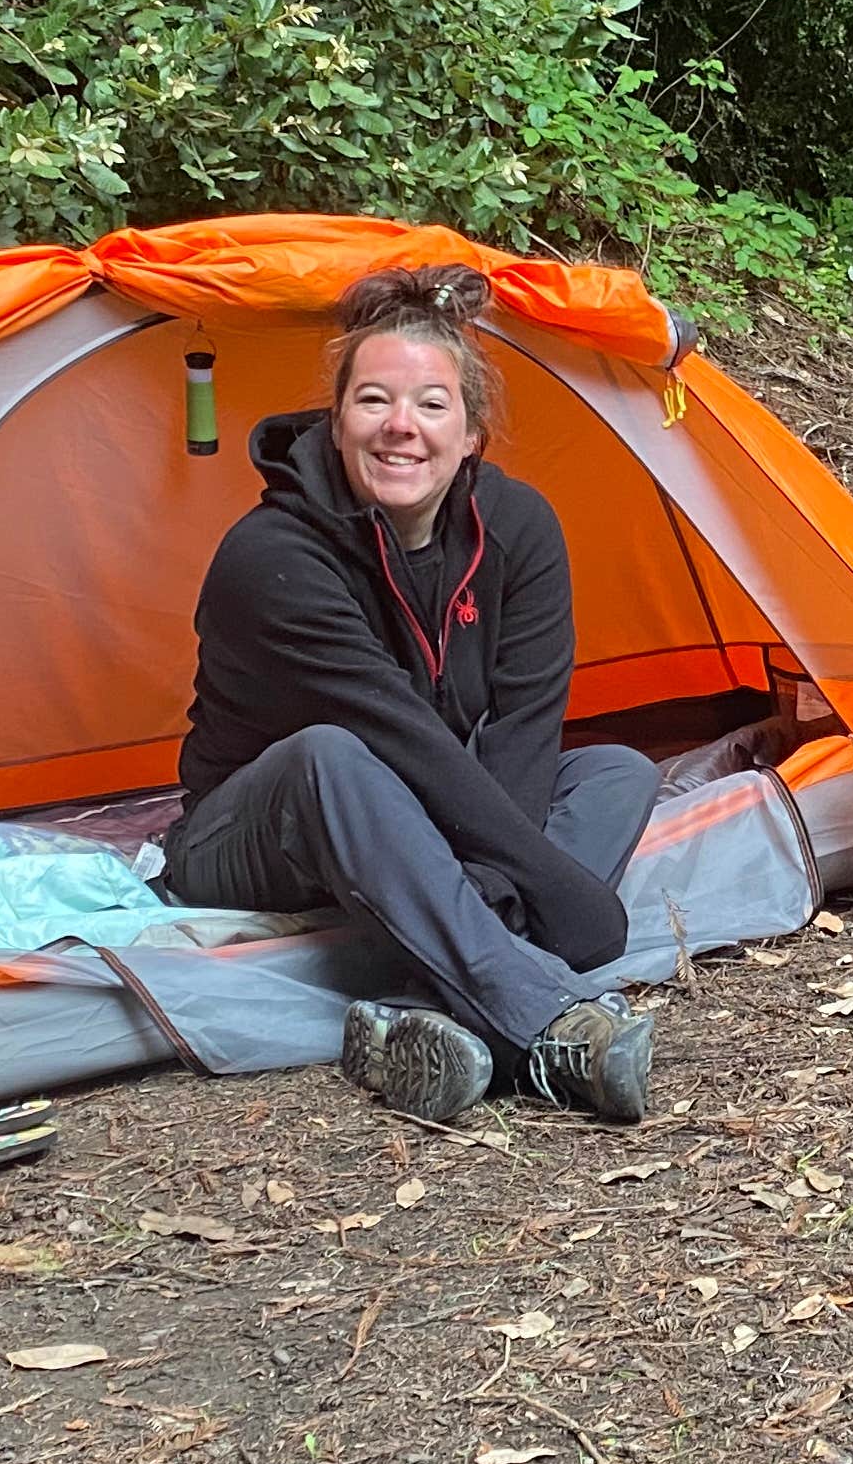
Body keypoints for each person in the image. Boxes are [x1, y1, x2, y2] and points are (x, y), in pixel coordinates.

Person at [159, 264, 662, 1125]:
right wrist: (566, 894)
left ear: (471, 435)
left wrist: (508, 879)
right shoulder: (272, 559)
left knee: (616, 770)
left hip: (423, 814)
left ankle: (424, 1008)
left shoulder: (519, 529)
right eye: (373, 402)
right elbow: (401, 739)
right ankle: (540, 1023)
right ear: (337, 417)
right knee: (335, 754)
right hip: (258, 833)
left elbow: (524, 728)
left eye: (432, 405)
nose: (401, 428)